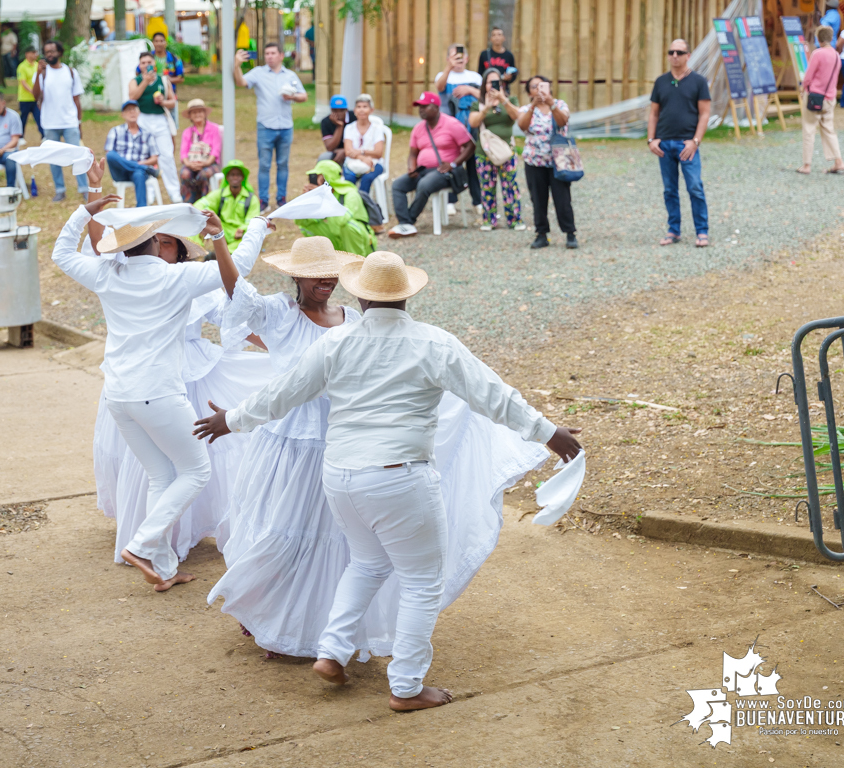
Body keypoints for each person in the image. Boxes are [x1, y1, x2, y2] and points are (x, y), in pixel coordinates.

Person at [193, 250, 582, 711]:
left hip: (340, 477)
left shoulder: (337, 342)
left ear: (357, 295)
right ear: (407, 297)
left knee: (366, 564)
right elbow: (493, 396)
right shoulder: (433, 343)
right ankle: (407, 686)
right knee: (421, 581)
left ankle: (333, 651)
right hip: (399, 479)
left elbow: (283, 394)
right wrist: (548, 433)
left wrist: (231, 420)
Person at [50, 166, 271, 592]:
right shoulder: (176, 278)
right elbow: (237, 267)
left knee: (161, 476)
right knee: (196, 470)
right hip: (157, 394)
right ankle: (142, 544)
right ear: (155, 243)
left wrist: (82, 212)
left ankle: (162, 567)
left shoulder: (106, 274)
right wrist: (250, 228)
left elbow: (61, 254)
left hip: (119, 396)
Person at [648, 40, 710, 248]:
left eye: (679, 52)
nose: (675, 56)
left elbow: (705, 114)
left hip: (687, 145)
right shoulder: (661, 82)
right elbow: (654, 113)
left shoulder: (698, 82)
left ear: (688, 55)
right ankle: (673, 230)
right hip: (664, 144)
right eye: (671, 52)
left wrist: (695, 141)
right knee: (669, 190)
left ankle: (702, 231)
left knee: (694, 187)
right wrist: (651, 139)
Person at [387, 91, 474, 239]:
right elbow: (413, 153)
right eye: (419, 107)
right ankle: (405, 222)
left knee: (424, 184)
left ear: (436, 107)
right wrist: (411, 167)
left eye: (424, 106)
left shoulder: (451, 124)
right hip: (422, 170)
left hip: (443, 171)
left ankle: (408, 222)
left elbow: (470, 146)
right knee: (398, 185)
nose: (421, 110)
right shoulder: (418, 128)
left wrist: (453, 164)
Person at [233, 42, 308, 209]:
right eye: (267, 53)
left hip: (286, 126)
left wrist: (293, 97)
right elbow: (241, 82)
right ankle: (263, 200)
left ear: (281, 55)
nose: (269, 56)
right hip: (266, 126)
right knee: (264, 165)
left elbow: (304, 96)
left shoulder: (290, 75)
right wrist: (237, 65)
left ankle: (281, 199)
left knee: (283, 164)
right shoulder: (258, 73)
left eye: (273, 53)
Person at [517, 76, 576, 250]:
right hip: (534, 161)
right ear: (529, 92)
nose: (538, 90)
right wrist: (534, 106)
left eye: (542, 86)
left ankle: (570, 232)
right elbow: (522, 126)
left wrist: (551, 104)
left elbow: (563, 121)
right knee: (538, 199)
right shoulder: (527, 108)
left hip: (558, 160)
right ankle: (541, 233)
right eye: (534, 87)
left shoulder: (560, 104)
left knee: (563, 199)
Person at [469, 69, 524, 232]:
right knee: (487, 186)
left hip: (506, 150)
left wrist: (503, 100)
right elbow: (473, 122)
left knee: (510, 185)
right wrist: (485, 108)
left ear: (501, 83)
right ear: (483, 85)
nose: (491, 85)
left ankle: (514, 219)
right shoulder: (477, 104)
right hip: (484, 152)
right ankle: (489, 220)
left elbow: (517, 116)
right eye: (488, 82)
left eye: (495, 81)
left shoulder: (510, 99)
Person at [34, 40, 88, 200]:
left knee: (78, 156)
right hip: (50, 123)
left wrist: (79, 122)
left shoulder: (71, 72)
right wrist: (38, 73)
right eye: (47, 52)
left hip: (70, 121)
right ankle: (60, 190)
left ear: (59, 52)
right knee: (53, 158)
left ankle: (84, 188)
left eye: (52, 51)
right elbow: (35, 96)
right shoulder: (42, 73)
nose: (49, 54)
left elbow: (76, 99)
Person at [435, 43, 484, 208]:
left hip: (472, 126)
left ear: (467, 58)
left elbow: (484, 97)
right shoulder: (443, 75)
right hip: (449, 128)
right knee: (452, 161)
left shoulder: (476, 77)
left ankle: (477, 201)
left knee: (473, 164)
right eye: (455, 56)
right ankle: (451, 200)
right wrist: (448, 68)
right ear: (448, 58)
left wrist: (469, 89)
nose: (459, 59)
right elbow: (439, 87)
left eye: (461, 56)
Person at [129, 50, 181, 203]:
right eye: (143, 63)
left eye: (149, 62)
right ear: (139, 65)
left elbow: (173, 102)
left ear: (154, 64)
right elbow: (132, 97)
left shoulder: (163, 81)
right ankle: (149, 192)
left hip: (160, 120)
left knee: (167, 155)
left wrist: (163, 101)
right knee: (145, 157)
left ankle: (174, 192)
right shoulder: (135, 81)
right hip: (142, 119)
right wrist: (145, 81)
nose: (146, 65)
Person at [299, 160, 376, 256]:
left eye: (321, 179)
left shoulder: (350, 194)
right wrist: (307, 200)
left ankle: (357, 262)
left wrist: (326, 199)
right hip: (337, 240)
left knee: (348, 226)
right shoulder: (322, 196)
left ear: (328, 178)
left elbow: (342, 221)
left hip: (359, 243)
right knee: (309, 225)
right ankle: (330, 258)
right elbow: (302, 222)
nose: (317, 182)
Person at [799, 26, 844, 176]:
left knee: (809, 129)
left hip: (814, 96)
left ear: (818, 39)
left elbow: (809, 76)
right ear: (831, 38)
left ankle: (807, 165)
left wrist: (802, 88)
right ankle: (838, 161)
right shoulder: (837, 56)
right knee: (829, 129)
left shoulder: (817, 54)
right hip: (830, 97)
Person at [105, 99, 159, 207]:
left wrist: (142, 163)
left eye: (134, 109)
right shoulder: (115, 131)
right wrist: (141, 166)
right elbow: (109, 154)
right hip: (120, 171)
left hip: (138, 172)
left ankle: (141, 210)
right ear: (123, 114)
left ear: (139, 113)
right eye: (128, 110)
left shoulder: (147, 134)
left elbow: (154, 158)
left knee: (139, 173)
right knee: (111, 155)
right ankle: (144, 168)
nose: (132, 112)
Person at [193, 160, 260, 247]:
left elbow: (253, 220)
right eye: (232, 175)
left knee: (248, 241)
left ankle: (223, 255)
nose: (235, 177)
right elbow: (201, 204)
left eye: (238, 175)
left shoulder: (252, 199)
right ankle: (193, 253)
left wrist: (242, 229)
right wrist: (204, 222)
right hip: (221, 230)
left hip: (240, 233)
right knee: (195, 229)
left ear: (243, 177)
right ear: (227, 177)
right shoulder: (219, 194)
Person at [178, 98, 223, 203]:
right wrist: (189, 164)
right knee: (185, 174)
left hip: (210, 163)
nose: (197, 114)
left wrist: (206, 163)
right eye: (194, 112)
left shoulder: (214, 129)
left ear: (204, 113)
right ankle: (188, 204)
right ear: (190, 116)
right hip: (192, 163)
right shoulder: (187, 132)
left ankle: (203, 203)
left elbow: (216, 150)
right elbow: (183, 153)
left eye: (199, 111)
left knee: (203, 174)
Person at [341, 93, 386, 192]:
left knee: (367, 179)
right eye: (359, 107)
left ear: (371, 110)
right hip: (352, 163)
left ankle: (363, 205)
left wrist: (360, 152)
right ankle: (349, 205)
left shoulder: (377, 128)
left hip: (374, 163)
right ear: (355, 110)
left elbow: (378, 153)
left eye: (365, 107)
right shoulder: (349, 128)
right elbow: (348, 151)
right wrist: (362, 158)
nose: (361, 110)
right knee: (349, 179)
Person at [151, 31, 185, 126]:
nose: (159, 43)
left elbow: (181, 78)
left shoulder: (174, 59)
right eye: (156, 41)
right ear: (153, 43)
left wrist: (167, 80)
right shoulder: (148, 58)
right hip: (151, 97)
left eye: (161, 41)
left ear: (165, 43)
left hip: (170, 96)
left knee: (171, 126)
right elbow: (138, 72)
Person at [477, 26, 518, 91]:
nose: (497, 37)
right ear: (490, 39)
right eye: (494, 35)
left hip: (503, 89)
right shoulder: (484, 54)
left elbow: (514, 73)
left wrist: (509, 78)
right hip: (487, 89)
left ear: (504, 38)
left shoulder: (509, 55)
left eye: (499, 35)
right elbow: (479, 74)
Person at [16, 46, 43, 137]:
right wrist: (33, 91)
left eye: (35, 52)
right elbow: (23, 82)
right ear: (27, 54)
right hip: (25, 98)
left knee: (39, 117)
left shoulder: (37, 65)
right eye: (32, 52)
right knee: (23, 119)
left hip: (35, 99)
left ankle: (43, 135)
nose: (35, 55)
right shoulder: (22, 67)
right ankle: (20, 136)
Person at [320, 95, 352, 164]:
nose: (338, 113)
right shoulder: (326, 122)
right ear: (331, 110)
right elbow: (330, 148)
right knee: (323, 158)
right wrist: (339, 126)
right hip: (336, 152)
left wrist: (345, 151)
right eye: (335, 110)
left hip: (355, 151)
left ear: (346, 109)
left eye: (341, 110)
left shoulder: (354, 118)